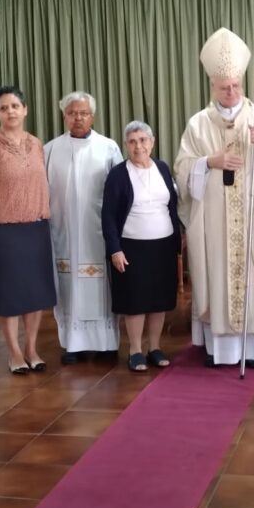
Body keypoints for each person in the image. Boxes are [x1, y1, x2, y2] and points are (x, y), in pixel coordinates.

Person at [174, 26, 254, 368]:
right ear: (212, 85)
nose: (231, 92)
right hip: (214, 220)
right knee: (219, 274)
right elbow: (183, 168)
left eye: (236, 86)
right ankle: (221, 350)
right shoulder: (198, 125)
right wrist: (209, 162)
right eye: (224, 87)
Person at [0, 85, 56, 374]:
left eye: (15, 106)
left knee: (35, 292)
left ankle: (31, 347)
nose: (10, 112)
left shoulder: (36, 144)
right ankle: (14, 352)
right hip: (3, 232)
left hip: (37, 228)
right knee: (9, 293)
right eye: (4, 108)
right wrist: (0, 207)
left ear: (25, 109)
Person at [44, 92, 123, 364]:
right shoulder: (51, 149)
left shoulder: (108, 147)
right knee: (68, 286)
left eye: (83, 113)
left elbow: (120, 189)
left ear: (93, 116)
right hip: (63, 230)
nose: (78, 118)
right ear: (64, 116)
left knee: (102, 286)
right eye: (72, 113)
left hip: (98, 230)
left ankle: (106, 343)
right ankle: (72, 344)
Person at [101, 121, 180, 371]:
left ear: (152, 141)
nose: (138, 146)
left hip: (163, 245)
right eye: (133, 141)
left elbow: (172, 205)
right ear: (126, 145)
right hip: (131, 247)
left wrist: (179, 238)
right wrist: (115, 249)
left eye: (143, 140)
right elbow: (108, 216)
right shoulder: (117, 174)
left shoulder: (163, 168)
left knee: (159, 300)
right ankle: (135, 350)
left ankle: (154, 347)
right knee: (135, 300)